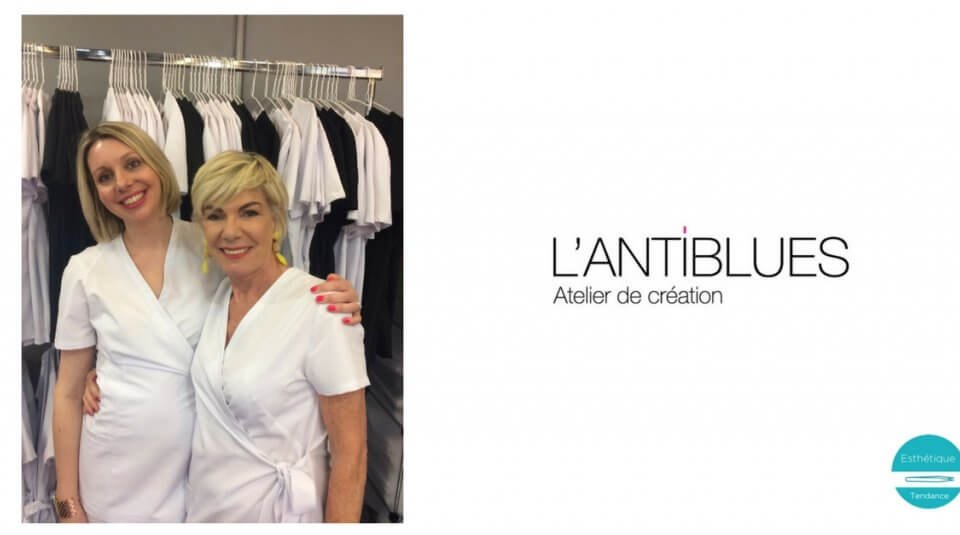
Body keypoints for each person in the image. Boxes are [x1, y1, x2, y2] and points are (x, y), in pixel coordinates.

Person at [51, 122, 361, 523]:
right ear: (94, 192)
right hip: (116, 465)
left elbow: (274, 300)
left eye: (132, 164)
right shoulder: (84, 270)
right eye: (104, 177)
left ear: (158, 165)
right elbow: (67, 392)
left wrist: (337, 298)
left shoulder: (214, 246)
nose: (123, 183)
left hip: (205, 478)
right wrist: (66, 504)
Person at [185, 151, 368, 522]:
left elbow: (352, 456)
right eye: (215, 215)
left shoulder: (322, 309)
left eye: (248, 212)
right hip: (206, 509)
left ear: (275, 220)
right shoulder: (218, 296)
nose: (230, 231)